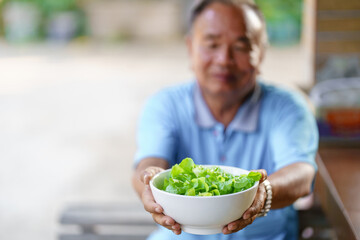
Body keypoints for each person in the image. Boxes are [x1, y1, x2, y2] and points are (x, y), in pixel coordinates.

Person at [132, 0, 319, 239]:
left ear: (260, 52)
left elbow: (301, 173)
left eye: (241, 46)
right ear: (191, 48)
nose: (224, 59)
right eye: (212, 44)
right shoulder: (166, 105)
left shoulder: (288, 108)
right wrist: (149, 181)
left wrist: (262, 193)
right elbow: (148, 164)